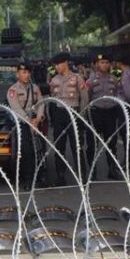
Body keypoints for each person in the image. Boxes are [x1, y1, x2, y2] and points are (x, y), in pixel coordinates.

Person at [42, 52, 90, 185]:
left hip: (73, 112)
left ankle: (82, 176)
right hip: (59, 114)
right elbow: (52, 96)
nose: (56, 67)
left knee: (77, 146)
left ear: (65, 63)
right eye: (55, 65)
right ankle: (60, 175)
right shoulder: (54, 80)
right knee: (59, 146)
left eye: (58, 64)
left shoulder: (77, 78)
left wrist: (81, 116)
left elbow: (84, 98)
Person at [6, 62, 44, 190]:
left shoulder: (35, 88)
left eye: (28, 72)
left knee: (39, 149)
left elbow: (41, 103)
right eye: (23, 72)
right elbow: (16, 108)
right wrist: (30, 121)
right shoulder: (13, 90)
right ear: (17, 74)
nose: (26, 75)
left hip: (35, 122)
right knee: (26, 151)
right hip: (23, 124)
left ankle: (39, 176)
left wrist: (38, 118)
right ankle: (28, 179)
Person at [86, 53, 124, 180]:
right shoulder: (91, 81)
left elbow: (118, 95)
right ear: (97, 64)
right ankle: (92, 171)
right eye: (102, 62)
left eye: (107, 62)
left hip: (110, 114)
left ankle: (112, 169)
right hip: (95, 113)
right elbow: (87, 98)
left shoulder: (114, 79)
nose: (104, 65)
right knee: (92, 144)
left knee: (111, 143)